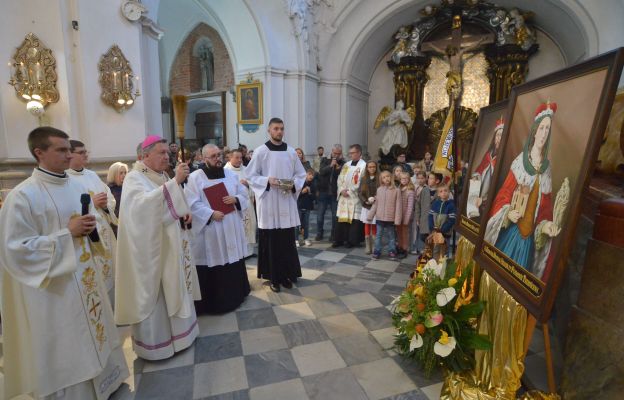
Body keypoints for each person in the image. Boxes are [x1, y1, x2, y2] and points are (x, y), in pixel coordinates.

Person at [0, 127, 128, 400]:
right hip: (54, 288)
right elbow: (15, 251)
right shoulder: (22, 196)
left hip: (86, 279)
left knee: (96, 332)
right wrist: (66, 234)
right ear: (39, 153)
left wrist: (91, 227)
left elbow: (91, 228)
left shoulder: (79, 185)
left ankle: (107, 383)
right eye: (61, 150)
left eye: (69, 149)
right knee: (69, 342)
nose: (69, 155)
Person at [115, 135, 201, 360]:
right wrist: (175, 183)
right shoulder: (134, 178)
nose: (167, 156)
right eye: (161, 153)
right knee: (157, 294)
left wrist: (185, 212)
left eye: (167, 152)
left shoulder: (161, 174)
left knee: (176, 283)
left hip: (171, 246)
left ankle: (183, 336)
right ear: (144, 156)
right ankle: (158, 345)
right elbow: (141, 211)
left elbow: (173, 204)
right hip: (152, 253)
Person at [484, 102, 562, 279]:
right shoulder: (521, 162)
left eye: (547, 129)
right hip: (511, 233)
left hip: (528, 242)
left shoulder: (547, 169)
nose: (543, 133)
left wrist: (546, 226)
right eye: (541, 128)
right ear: (534, 131)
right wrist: (507, 213)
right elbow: (503, 195)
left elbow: (544, 211)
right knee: (498, 277)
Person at [185, 144, 251, 314]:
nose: (218, 159)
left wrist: (235, 199)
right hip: (211, 229)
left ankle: (235, 297)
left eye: (219, 155)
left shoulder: (230, 174)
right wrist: (210, 213)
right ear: (204, 158)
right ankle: (215, 304)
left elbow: (244, 194)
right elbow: (191, 203)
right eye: (213, 156)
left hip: (230, 226)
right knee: (214, 261)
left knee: (232, 261)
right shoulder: (195, 178)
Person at [246, 118, 306, 292]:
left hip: (286, 200)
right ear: (269, 131)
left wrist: (293, 184)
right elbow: (250, 175)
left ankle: (287, 275)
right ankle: (273, 277)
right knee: (272, 242)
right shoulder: (260, 151)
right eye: (276, 129)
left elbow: (300, 174)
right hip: (269, 202)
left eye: (281, 128)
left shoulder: (290, 152)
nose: (279, 131)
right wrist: (266, 180)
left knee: (286, 241)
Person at [67, 140, 118, 304]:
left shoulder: (92, 175)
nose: (86, 155)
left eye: (85, 151)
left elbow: (109, 197)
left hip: (104, 231)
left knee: (110, 272)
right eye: (81, 152)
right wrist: (91, 204)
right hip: (87, 236)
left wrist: (104, 205)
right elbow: (67, 209)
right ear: (70, 154)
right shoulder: (65, 178)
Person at [469, 117, 504, 218]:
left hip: (489, 198)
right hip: (478, 194)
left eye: (501, 136)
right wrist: (476, 176)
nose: (498, 138)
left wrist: (484, 198)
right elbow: (479, 170)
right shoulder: (488, 155)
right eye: (497, 135)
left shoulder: (502, 158)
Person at [224, 148, 257, 256]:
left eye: (241, 158)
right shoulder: (225, 171)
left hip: (247, 203)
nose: (239, 160)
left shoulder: (246, 169)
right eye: (236, 157)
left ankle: (249, 252)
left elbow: (254, 185)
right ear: (230, 157)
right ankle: (239, 253)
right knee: (238, 228)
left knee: (250, 226)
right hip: (235, 206)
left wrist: (248, 184)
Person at [333, 144, 367, 248]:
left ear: (359, 153)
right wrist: (342, 190)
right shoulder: (346, 164)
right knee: (341, 218)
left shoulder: (363, 165)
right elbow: (340, 178)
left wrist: (350, 191)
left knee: (354, 220)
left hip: (354, 197)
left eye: (352, 153)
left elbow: (361, 181)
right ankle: (339, 240)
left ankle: (352, 241)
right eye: (350, 153)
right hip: (344, 196)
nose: (350, 155)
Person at [367, 170, 402, 260]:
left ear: (391, 178)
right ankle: (377, 251)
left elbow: (398, 206)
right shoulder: (379, 190)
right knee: (378, 236)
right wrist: (370, 215)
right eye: (384, 177)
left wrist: (397, 219)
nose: (386, 178)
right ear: (381, 180)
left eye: (388, 176)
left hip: (390, 218)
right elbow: (375, 204)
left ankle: (392, 251)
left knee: (391, 236)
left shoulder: (396, 190)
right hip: (380, 218)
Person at [316, 144, 344, 241]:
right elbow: (321, 172)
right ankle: (319, 232)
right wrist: (330, 165)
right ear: (332, 151)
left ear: (341, 153)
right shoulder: (325, 160)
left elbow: (342, 177)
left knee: (334, 216)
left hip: (334, 193)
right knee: (320, 215)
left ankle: (333, 234)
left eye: (338, 153)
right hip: (323, 191)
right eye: (334, 153)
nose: (336, 155)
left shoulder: (343, 163)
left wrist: (337, 168)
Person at [428, 184, 456, 261]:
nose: (443, 193)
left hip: (445, 233)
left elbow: (451, 220)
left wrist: (443, 229)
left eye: (445, 191)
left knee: (444, 249)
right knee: (436, 248)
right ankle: (435, 265)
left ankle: (443, 267)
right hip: (436, 231)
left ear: (449, 192)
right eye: (441, 191)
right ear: (438, 194)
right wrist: (432, 227)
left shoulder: (451, 205)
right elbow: (430, 216)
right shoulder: (435, 204)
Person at [358, 161, 380, 254]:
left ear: (376, 167)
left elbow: (382, 190)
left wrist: (376, 198)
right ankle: (368, 245)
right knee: (367, 224)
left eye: (373, 167)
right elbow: (359, 192)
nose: (372, 168)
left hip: (376, 205)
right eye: (370, 167)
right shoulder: (363, 179)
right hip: (366, 205)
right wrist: (365, 200)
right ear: (367, 168)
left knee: (374, 224)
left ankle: (375, 245)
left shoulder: (379, 178)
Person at [412, 171, 431, 255]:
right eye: (418, 178)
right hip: (415, 211)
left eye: (422, 178)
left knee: (422, 232)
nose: (420, 180)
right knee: (415, 231)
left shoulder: (426, 188)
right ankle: (415, 247)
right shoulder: (414, 187)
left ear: (426, 179)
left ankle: (422, 248)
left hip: (423, 213)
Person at [397, 171, 415, 258]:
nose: (403, 180)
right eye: (402, 178)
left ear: (408, 179)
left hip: (405, 216)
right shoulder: (398, 189)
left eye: (405, 178)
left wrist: (407, 219)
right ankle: (399, 247)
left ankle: (404, 249)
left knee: (405, 233)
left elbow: (410, 206)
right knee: (399, 232)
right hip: (398, 215)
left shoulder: (410, 191)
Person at [297, 169, 316, 246]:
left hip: (307, 207)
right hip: (299, 206)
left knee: (306, 224)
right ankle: (296, 239)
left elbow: (314, 197)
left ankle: (306, 238)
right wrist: (302, 192)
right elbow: (295, 195)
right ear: (306, 175)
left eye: (312, 175)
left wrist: (310, 192)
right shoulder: (300, 183)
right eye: (309, 174)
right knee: (297, 225)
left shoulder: (313, 184)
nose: (311, 176)